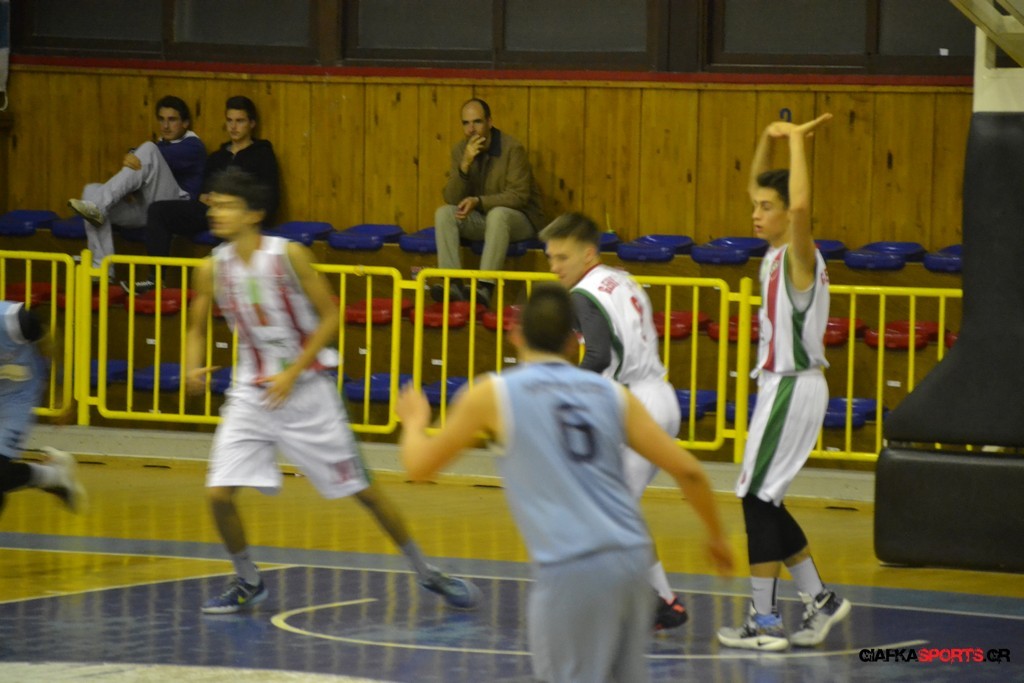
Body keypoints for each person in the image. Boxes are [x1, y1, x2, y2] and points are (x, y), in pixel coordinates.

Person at [396, 283, 732, 683]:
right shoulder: (613, 393)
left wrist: (414, 422)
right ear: (574, 343)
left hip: (571, 569)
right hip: (631, 564)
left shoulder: (492, 394)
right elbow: (690, 472)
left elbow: (419, 467)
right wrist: (717, 537)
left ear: (515, 334)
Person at [184, 168, 479, 615]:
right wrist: (192, 367)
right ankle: (247, 579)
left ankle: (426, 571)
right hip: (251, 394)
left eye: (227, 205)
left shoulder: (289, 256)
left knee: (366, 491)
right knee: (218, 494)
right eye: (214, 204)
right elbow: (195, 327)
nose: (216, 212)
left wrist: (292, 372)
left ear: (254, 213)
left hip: (307, 392)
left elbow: (330, 318)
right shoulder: (211, 268)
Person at [716, 113, 851, 652]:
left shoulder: (799, 255)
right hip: (784, 386)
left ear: (785, 214)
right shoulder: (774, 253)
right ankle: (821, 599)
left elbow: (799, 207)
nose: (756, 212)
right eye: (756, 206)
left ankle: (765, 620)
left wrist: (796, 144)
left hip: (793, 385)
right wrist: (765, 139)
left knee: (755, 499)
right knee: (764, 498)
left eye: (765, 207)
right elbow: (759, 184)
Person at [539, 212, 688, 631]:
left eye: (562, 258)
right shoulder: (620, 278)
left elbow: (599, 355)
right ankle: (656, 601)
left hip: (636, 402)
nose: (554, 267)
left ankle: (653, 602)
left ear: (588, 254)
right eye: (550, 258)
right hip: (657, 395)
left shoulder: (582, 294)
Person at [129, 95, 281, 294]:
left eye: (240, 121)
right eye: (230, 120)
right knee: (158, 210)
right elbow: (203, 192)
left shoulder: (262, 155)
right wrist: (206, 197)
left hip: (242, 216)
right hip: (209, 211)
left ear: (251, 124)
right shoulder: (218, 157)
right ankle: (155, 279)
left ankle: (230, 288)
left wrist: (240, 207)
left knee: (227, 223)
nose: (233, 126)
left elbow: (270, 196)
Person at [68, 95, 206, 282]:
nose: (165, 126)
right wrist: (129, 185)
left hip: (177, 208)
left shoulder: (193, 146)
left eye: (172, 120)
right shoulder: (160, 145)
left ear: (185, 123)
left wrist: (133, 152)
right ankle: (101, 269)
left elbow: (157, 156)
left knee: (148, 149)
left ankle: (98, 205)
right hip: (147, 208)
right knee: (91, 191)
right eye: (161, 119)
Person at [431, 98, 545, 308]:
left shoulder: (512, 149)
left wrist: (479, 201)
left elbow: (519, 196)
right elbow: (451, 198)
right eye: (466, 123)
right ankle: (453, 283)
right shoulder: (461, 150)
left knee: (498, 214)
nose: (471, 129)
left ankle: (485, 287)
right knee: (445, 213)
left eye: (477, 122)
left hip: (521, 220)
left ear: (490, 122)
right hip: (486, 221)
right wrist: (464, 166)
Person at [0, 301, 86, 516]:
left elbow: (50, 342)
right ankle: (52, 476)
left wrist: (63, 391)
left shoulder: (13, 320)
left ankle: (53, 476)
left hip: (15, 397)